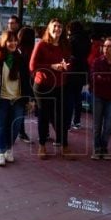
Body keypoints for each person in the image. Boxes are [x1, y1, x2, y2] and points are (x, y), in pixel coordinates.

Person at [0, 31, 33, 166]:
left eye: (14, 41)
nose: (13, 43)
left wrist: (29, 98)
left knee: (16, 126)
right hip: (1, 99)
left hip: (17, 99)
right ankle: (2, 152)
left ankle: (9, 148)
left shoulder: (21, 58)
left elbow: (26, 80)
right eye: (9, 41)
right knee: (1, 126)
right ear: (4, 42)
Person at [30, 19, 73, 160]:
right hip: (42, 86)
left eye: (60, 27)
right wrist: (52, 66)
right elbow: (32, 66)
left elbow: (69, 62)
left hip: (60, 85)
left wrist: (66, 66)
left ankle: (64, 145)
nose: (57, 29)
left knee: (62, 116)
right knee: (44, 115)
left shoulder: (65, 45)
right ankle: (42, 145)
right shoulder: (41, 45)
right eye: (54, 26)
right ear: (49, 28)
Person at [66, 20, 91, 129]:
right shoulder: (87, 40)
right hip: (82, 69)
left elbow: (67, 54)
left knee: (70, 96)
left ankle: (68, 120)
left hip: (72, 69)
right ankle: (77, 121)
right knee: (78, 96)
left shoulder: (71, 40)